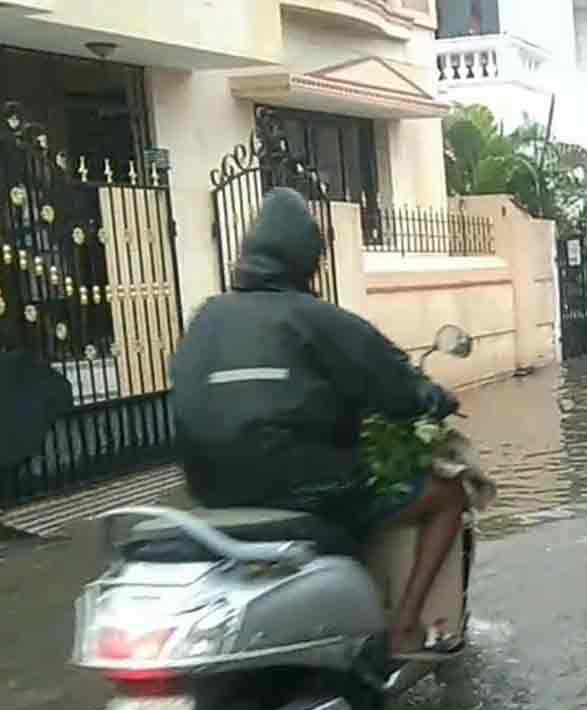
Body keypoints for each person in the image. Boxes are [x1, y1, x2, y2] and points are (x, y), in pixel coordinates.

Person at [170, 188, 466, 657]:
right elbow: (397, 389)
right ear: (308, 259)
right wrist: (432, 399)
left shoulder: (205, 319)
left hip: (213, 497)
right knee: (448, 492)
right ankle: (405, 627)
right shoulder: (321, 320)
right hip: (312, 496)